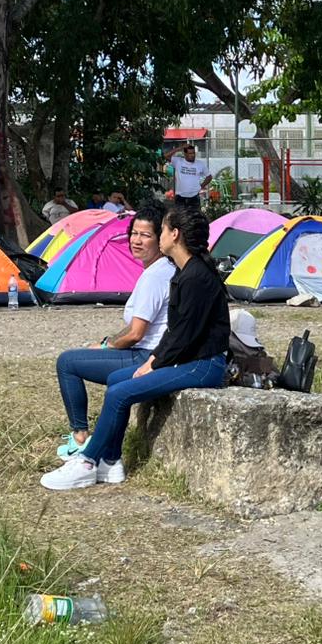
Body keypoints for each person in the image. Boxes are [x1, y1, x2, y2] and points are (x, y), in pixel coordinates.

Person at [41, 206, 230, 490]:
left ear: (174, 235)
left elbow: (185, 337)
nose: (155, 236)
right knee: (118, 379)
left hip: (205, 365)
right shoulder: (183, 272)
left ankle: (88, 461)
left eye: (161, 231)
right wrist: (154, 359)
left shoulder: (196, 277)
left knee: (119, 392)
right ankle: (111, 461)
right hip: (189, 359)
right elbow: (174, 332)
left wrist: (153, 363)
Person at [51, 202, 175, 463]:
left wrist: (109, 347)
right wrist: (107, 342)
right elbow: (131, 328)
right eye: (134, 234)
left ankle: (80, 437)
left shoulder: (156, 276)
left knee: (67, 363)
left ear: (161, 239)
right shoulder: (157, 271)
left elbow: (136, 334)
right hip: (145, 351)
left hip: (146, 356)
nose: (137, 241)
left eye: (146, 235)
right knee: (82, 357)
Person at [165, 143, 212, 209]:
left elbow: (209, 177)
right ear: (185, 154)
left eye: (193, 153)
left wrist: (201, 186)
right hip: (180, 197)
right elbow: (166, 156)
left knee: (195, 217)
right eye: (190, 153)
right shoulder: (178, 161)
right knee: (180, 217)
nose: (192, 155)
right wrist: (180, 148)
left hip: (194, 197)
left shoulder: (200, 164)